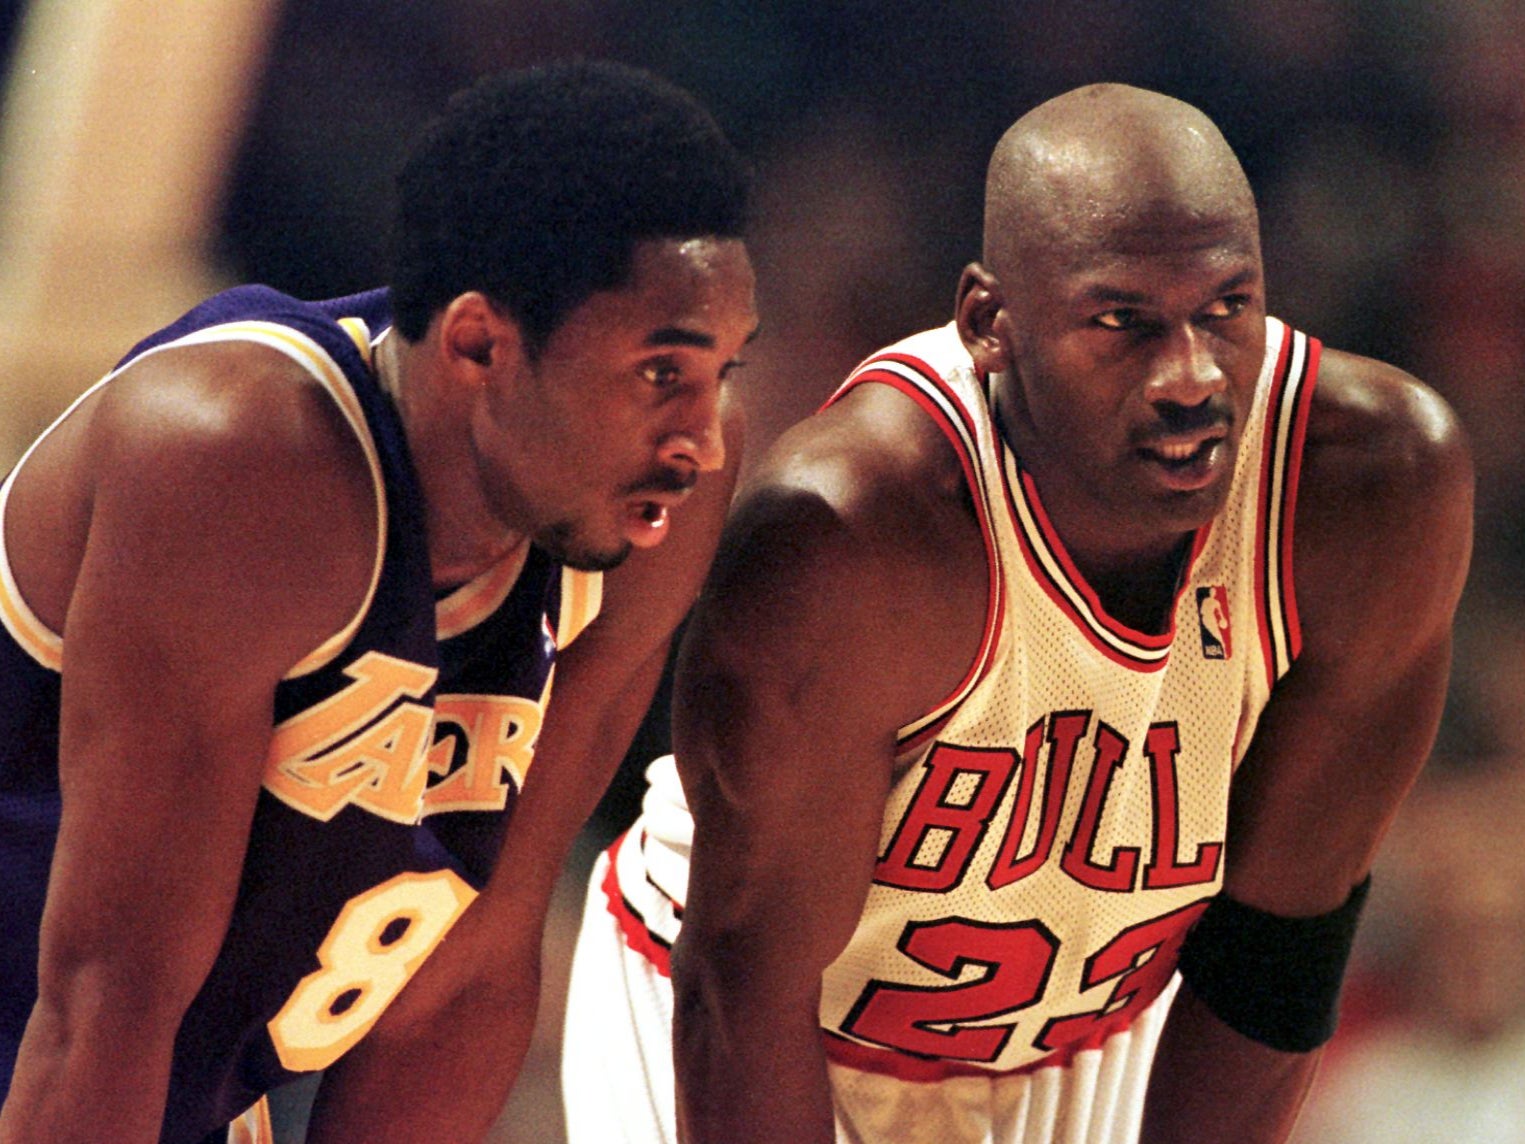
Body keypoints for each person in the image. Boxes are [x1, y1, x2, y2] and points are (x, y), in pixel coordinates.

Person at [561, 83, 1473, 1144]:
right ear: (989, 324)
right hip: (750, 1017)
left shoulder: (1374, 483)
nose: (1190, 376)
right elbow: (744, 985)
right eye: (1122, 323)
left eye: (1226, 308)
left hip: (1086, 1041)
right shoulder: (853, 530)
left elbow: (1276, 954)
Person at [0, 60, 757, 1144]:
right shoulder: (242, 459)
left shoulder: (639, 508)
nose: (705, 438)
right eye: (659, 375)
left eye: (726, 371)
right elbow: (100, 1007)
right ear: (477, 346)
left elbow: (468, 976)